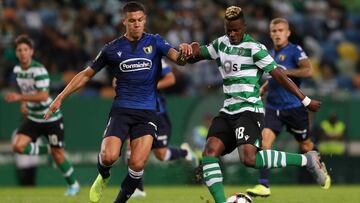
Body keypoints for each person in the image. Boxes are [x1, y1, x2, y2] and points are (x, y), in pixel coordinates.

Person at [44, 2, 190, 203]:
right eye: (132, 21)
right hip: (121, 111)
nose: (137, 24)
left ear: (144, 20)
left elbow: (178, 59)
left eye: (140, 20)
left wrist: (184, 52)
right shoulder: (112, 49)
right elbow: (86, 74)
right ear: (124, 21)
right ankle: (104, 176)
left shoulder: (156, 42)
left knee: (137, 163)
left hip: (147, 112)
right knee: (109, 157)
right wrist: (60, 97)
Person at [184, 6, 331, 203]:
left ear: (244, 27)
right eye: (229, 30)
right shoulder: (220, 44)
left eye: (236, 29)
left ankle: (307, 159)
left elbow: (278, 75)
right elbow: (195, 56)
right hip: (228, 111)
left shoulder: (255, 48)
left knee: (249, 159)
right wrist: (189, 49)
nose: (233, 34)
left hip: (249, 110)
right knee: (209, 152)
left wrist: (304, 100)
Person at [246, 17, 318, 197]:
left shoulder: (295, 50)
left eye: (280, 31)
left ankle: (317, 165)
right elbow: (274, 77)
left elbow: (308, 71)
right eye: (274, 31)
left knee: (306, 145)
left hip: (294, 108)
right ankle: (264, 185)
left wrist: (285, 71)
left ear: (288, 33)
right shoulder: (269, 53)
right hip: (273, 107)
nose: (277, 34)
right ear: (270, 33)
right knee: (264, 142)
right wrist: (264, 87)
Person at [4, 34, 80, 196]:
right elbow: (26, 90)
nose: (23, 53)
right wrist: (24, 103)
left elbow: (44, 95)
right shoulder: (18, 70)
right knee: (18, 146)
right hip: (33, 117)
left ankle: (73, 185)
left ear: (31, 51)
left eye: (25, 49)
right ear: (16, 53)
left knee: (59, 157)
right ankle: (48, 150)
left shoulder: (39, 70)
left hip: (50, 117)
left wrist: (20, 98)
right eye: (19, 50)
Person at [126, 59, 198, 198]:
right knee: (132, 148)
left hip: (157, 115)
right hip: (136, 113)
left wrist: (151, 86)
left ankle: (184, 152)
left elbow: (170, 79)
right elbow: (115, 81)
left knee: (161, 155)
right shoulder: (126, 59)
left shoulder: (155, 59)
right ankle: (138, 189)